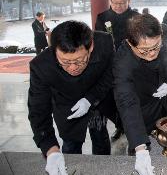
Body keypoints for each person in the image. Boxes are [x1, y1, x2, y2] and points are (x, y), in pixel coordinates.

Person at [28, 21, 116, 175]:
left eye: (79, 61)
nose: (73, 67)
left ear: (91, 47)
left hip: (97, 100)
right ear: (54, 50)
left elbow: (111, 74)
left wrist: (90, 99)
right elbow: (38, 110)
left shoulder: (104, 43)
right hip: (67, 105)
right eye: (65, 62)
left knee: (100, 137)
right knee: (70, 145)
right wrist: (50, 149)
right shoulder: (41, 66)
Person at [113, 14, 167, 175]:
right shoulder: (122, 62)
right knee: (142, 150)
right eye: (145, 50)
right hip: (142, 108)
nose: (152, 53)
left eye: (156, 46)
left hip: (166, 101)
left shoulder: (165, 32)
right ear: (131, 43)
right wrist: (140, 147)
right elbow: (126, 101)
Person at [95, 0, 139, 141]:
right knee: (111, 100)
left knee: (128, 98)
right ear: (110, 1)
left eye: (122, 2)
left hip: (131, 66)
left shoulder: (136, 17)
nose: (119, 6)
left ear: (129, 0)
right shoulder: (102, 18)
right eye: (115, 3)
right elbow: (98, 42)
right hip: (109, 66)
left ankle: (130, 127)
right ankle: (120, 126)